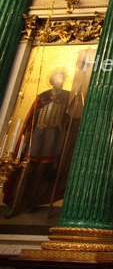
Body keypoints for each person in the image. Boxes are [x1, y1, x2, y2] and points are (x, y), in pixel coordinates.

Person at [4, 70, 71, 218]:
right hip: (38, 134)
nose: (59, 81)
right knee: (27, 166)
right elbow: (31, 118)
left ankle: (32, 202)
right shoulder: (43, 96)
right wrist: (28, 136)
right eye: (56, 78)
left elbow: (71, 117)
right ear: (52, 80)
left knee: (43, 169)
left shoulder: (68, 96)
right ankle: (16, 204)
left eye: (61, 78)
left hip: (54, 136)